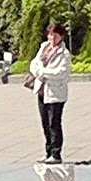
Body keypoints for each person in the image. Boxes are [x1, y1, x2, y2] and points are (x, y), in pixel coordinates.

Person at [30, 22, 72, 160]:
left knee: (54, 123)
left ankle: (56, 153)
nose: (52, 38)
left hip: (55, 93)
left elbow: (61, 72)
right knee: (45, 123)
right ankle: (48, 152)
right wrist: (40, 72)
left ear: (61, 36)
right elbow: (34, 64)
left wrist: (43, 73)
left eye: (55, 36)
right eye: (50, 35)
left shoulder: (64, 53)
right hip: (42, 90)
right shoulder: (44, 48)